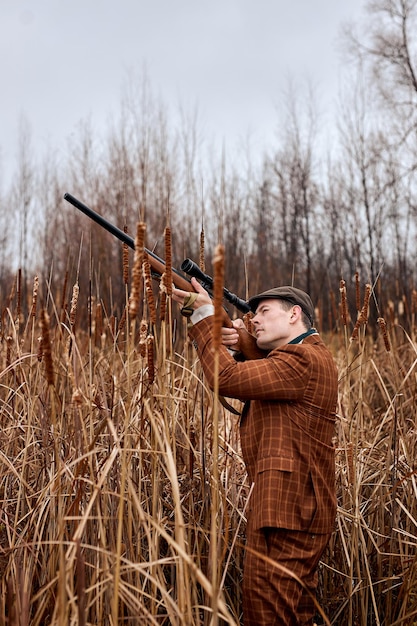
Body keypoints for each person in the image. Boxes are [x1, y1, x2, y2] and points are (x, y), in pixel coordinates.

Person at [172, 278, 338, 626]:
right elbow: (261, 367)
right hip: (292, 510)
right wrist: (238, 340)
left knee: (269, 613)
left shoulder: (303, 360)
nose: (254, 318)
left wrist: (203, 316)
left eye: (263, 311)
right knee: (288, 613)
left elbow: (226, 378)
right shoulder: (301, 357)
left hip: (288, 511)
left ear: (295, 315)